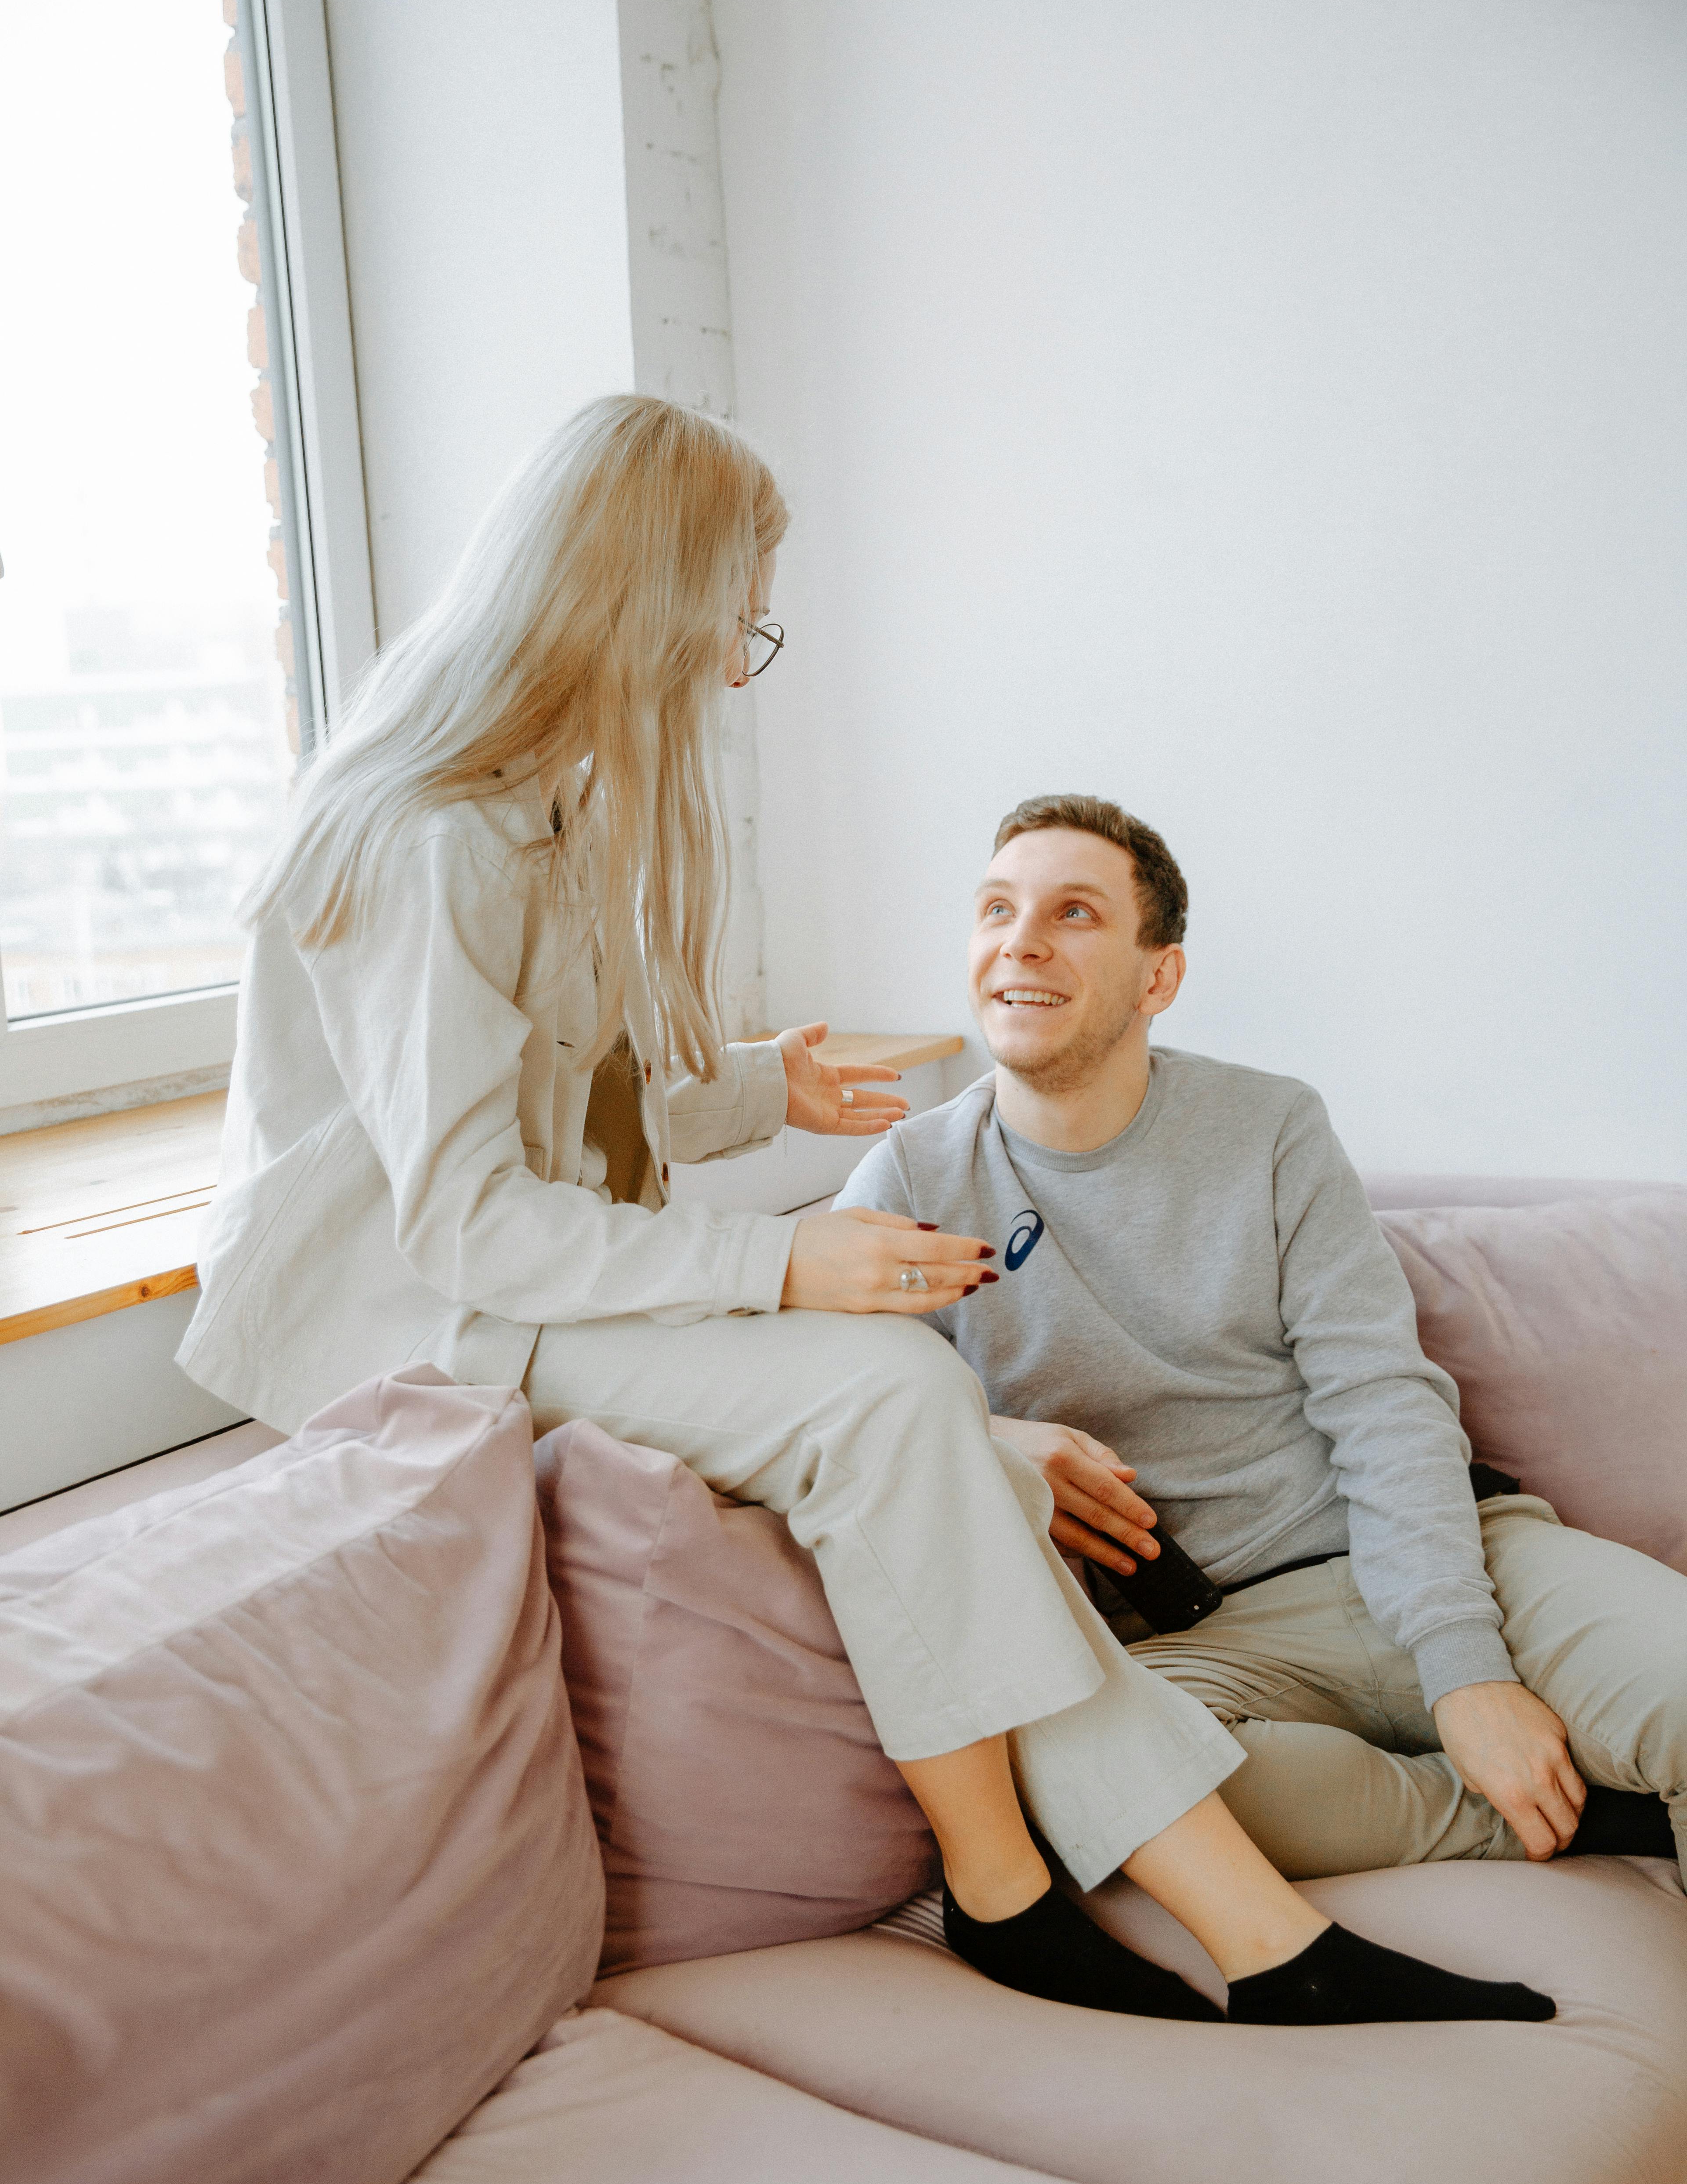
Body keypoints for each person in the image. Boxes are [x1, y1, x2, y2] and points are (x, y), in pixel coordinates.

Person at [180, 395, 1552, 2029]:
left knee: (926, 1416)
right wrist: (780, 1257)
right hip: (416, 1317)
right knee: (899, 1390)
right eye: (733, 618)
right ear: (647, 594)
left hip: (510, 1280)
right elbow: (468, 1222)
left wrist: (755, 1091)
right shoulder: (434, 841)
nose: (728, 664)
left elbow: (555, 1090)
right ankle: (1169, 1920)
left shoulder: (543, 816)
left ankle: (1062, 1900)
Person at [836, 792, 1687, 1893]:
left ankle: (1532, 1756)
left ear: (1159, 977)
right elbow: (808, 1400)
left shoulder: (1271, 1126)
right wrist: (988, 1438)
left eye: (1074, 912)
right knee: (1105, 1794)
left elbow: (1381, 1396)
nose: (1021, 941)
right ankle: (1575, 1813)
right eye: (996, 908)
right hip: (1206, 1644)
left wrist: (1466, 1669)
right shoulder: (908, 1180)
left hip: (1440, 1559)